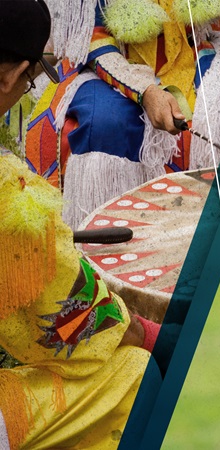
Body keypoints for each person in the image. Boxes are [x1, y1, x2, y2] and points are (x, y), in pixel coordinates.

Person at [0, 1, 162, 448]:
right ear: (10, 76)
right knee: (137, 374)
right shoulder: (7, 197)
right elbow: (68, 315)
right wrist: (147, 332)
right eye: (32, 78)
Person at [25, 0, 220, 229]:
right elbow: (92, 35)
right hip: (109, 58)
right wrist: (146, 92)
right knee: (106, 125)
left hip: (197, 47)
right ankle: (106, 251)